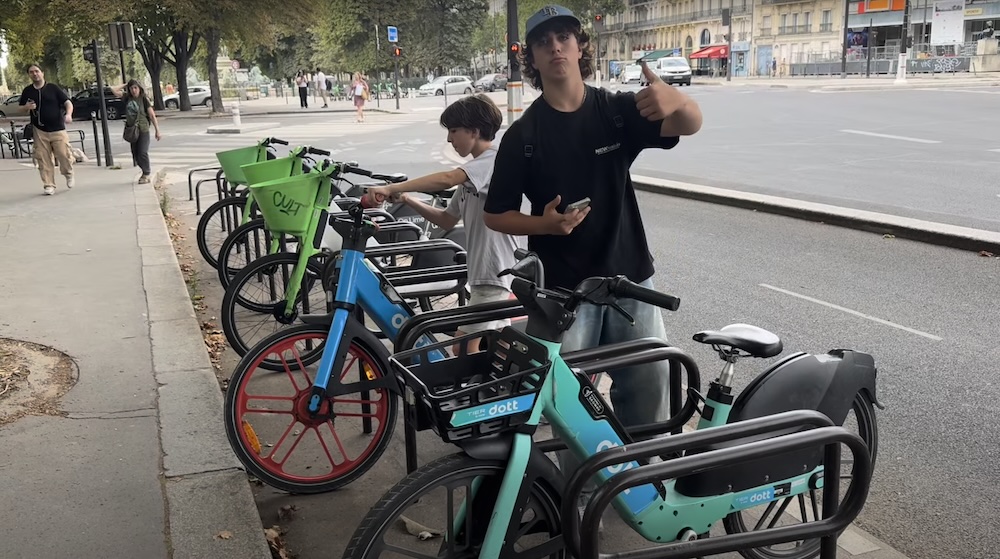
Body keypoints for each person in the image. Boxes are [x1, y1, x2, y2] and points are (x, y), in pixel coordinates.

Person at [482, 4, 703, 522]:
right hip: (562, 294)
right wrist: (546, 226)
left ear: (581, 47)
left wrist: (679, 99)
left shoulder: (615, 110)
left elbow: (686, 125)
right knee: (571, 409)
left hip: (629, 280)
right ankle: (578, 495)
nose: (556, 48)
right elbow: (495, 215)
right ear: (532, 57)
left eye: (564, 38)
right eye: (544, 42)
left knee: (645, 392)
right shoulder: (525, 135)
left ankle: (635, 489)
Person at [366, 94, 523, 350]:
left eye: (453, 131)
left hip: (497, 272)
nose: (449, 139)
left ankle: (479, 390)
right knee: (499, 347)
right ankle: (506, 389)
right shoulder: (473, 175)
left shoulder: (493, 161)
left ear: (474, 131)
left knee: (462, 346)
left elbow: (447, 179)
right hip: (487, 272)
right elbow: (447, 218)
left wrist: (393, 186)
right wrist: (407, 198)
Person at [17, 64, 74, 195]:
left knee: (63, 154)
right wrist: (26, 107)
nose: (35, 74)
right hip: (39, 129)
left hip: (57, 128)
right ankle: (49, 184)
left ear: (42, 73)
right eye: (31, 72)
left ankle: (68, 173)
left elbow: (67, 102)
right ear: (29, 75)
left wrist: (69, 114)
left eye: (37, 71)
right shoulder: (28, 91)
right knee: (43, 158)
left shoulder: (53, 88)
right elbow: (20, 108)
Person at [111, 80, 161, 184]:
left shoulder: (143, 99)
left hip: (143, 129)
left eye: (135, 88)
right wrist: (126, 84)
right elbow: (113, 89)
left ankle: (146, 173)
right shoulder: (127, 98)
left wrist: (157, 130)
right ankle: (144, 171)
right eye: (131, 88)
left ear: (139, 88)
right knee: (136, 155)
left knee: (142, 152)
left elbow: (152, 115)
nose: (134, 90)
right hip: (132, 130)